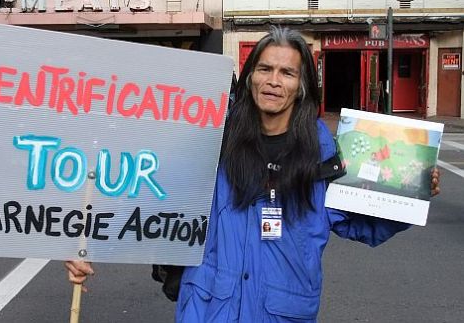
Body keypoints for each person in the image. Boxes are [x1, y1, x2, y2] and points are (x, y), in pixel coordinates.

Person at [65, 26, 440, 321]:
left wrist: (412, 190)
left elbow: (363, 224)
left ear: (301, 87)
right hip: (207, 309)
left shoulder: (324, 156)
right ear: (249, 77)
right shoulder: (212, 140)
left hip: (282, 313)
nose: (274, 80)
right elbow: (151, 201)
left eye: (287, 73)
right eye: (265, 69)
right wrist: (88, 247)